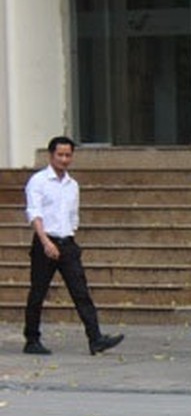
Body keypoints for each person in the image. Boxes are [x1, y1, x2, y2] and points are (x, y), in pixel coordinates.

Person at [22, 135, 124, 356]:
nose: (64, 159)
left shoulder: (72, 185)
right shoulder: (38, 181)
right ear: (51, 156)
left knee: (81, 292)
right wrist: (45, 241)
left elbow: (73, 215)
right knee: (38, 293)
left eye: (68, 155)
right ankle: (31, 339)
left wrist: (69, 237)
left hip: (67, 243)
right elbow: (35, 213)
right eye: (60, 155)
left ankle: (95, 338)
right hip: (44, 242)